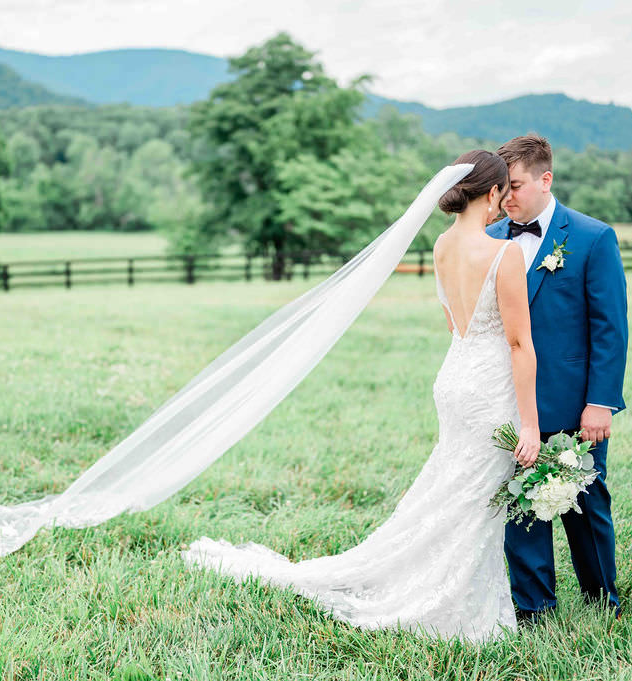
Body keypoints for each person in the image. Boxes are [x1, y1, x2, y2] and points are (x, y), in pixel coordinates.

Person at [181, 150, 542, 642]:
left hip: (454, 377)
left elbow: (456, 325)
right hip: (488, 386)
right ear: (493, 192)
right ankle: (447, 602)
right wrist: (530, 424)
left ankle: (447, 585)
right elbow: (519, 343)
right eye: (504, 191)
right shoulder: (505, 254)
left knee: (453, 489)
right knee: (472, 499)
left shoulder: (440, 246)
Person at [487, 135, 628, 621]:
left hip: (573, 403)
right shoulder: (488, 241)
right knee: (520, 507)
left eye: (518, 186)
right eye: (502, 188)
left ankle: (601, 599)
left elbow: (609, 328)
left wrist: (601, 402)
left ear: (546, 180)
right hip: (507, 403)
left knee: (585, 507)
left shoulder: (592, 237)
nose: (508, 197)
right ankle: (534, 609)